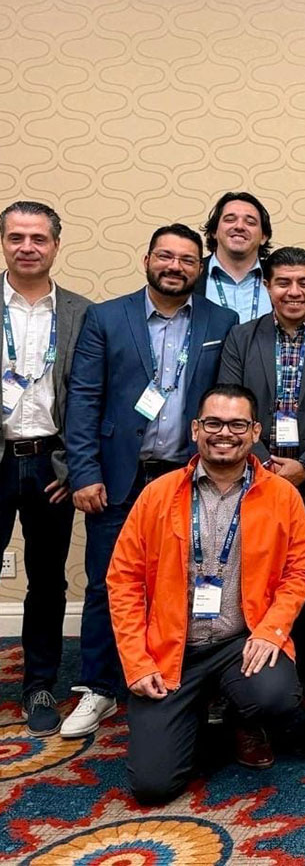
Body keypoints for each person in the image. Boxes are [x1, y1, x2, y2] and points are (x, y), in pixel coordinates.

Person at [64, 224, 238, 740]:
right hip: (120, 474)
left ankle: (186, 683)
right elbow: (84, 397)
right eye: (166, 256)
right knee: (107, 582)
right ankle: (99, 687)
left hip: (188, 476)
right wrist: (83, 471)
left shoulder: (220, 321)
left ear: (199, 268)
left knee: (188, 578)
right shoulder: (106, 317)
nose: (175, 267)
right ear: (147, 260)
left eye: (187, 260)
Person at [106, 384, 305, 804]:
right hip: (172, 650)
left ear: (255, 432)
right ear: (196, 429)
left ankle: (242, 717)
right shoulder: (157, 494)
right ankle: (192, 716)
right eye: (214, 423)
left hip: (241, 641)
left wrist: (271, 630)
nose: (225, 434)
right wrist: (136, 662)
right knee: (153, 787)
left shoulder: (282, 495)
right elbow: (123, 579)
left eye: (237, 425)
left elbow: (299, 570)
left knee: (276, 697)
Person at [0, 201, 91, 735]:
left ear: (56, 245)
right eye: (17, 237)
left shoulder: (81, 312)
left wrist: (77, 466)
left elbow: (89, 397)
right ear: (4, 243)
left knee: (47, 580)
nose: (27, 247)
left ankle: (39, 683)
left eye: (38, 238)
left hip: (51, 466)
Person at [217, 247, 305, 512]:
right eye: (283, 283)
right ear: (267, 286)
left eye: (304, 283)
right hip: (251, 473)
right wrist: (264, 463)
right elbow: (229, 406)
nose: (294, 292)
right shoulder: (241, 338)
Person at [193, 191, 274, 324]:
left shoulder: (278, 276)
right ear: (214, 231)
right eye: (230, 219)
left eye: (250, 222)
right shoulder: (192, 273)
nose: (239, 226)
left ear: (263, 237)